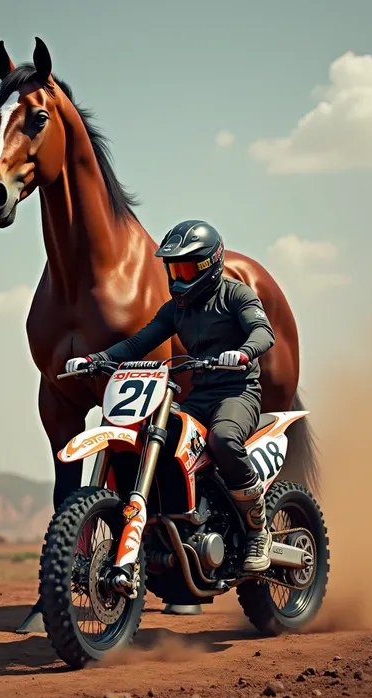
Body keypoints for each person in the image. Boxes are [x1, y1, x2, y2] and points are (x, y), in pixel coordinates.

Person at [65, 220, 276, 573]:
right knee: (161, 439)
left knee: (224, 439)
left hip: (237, 393)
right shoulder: (175, 310)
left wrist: (242, 353)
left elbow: (262, 331)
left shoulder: (236, 295)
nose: (179, 276)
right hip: (201, 395)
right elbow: (138, 342)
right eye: (173, 267)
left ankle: (258, 530)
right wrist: (96, 360)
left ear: (211, 265)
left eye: (187, 267)